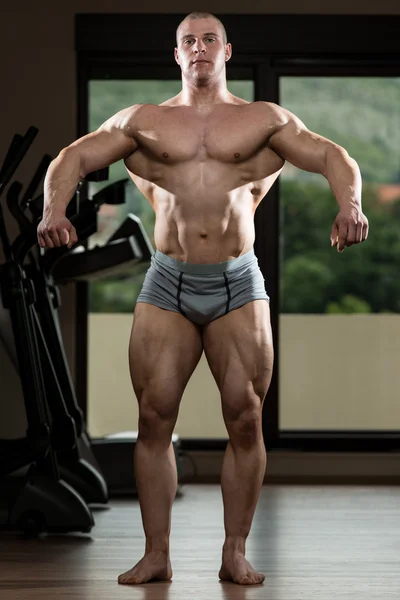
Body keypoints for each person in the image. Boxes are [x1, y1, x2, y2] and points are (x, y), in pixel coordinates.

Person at [37, 11, 369, 586]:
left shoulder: (264, 120)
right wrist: (53, 211)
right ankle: (156, 553)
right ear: (176, 54)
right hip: (168, 282)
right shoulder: (143, 121)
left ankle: (234, 551)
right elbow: (73, 158)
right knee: (153, 417)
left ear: (226, 50)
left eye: (208, 39)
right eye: (188, 40)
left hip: (239, 283)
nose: (198, 48)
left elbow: (332, 155)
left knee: (245, 418)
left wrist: (351, 204)